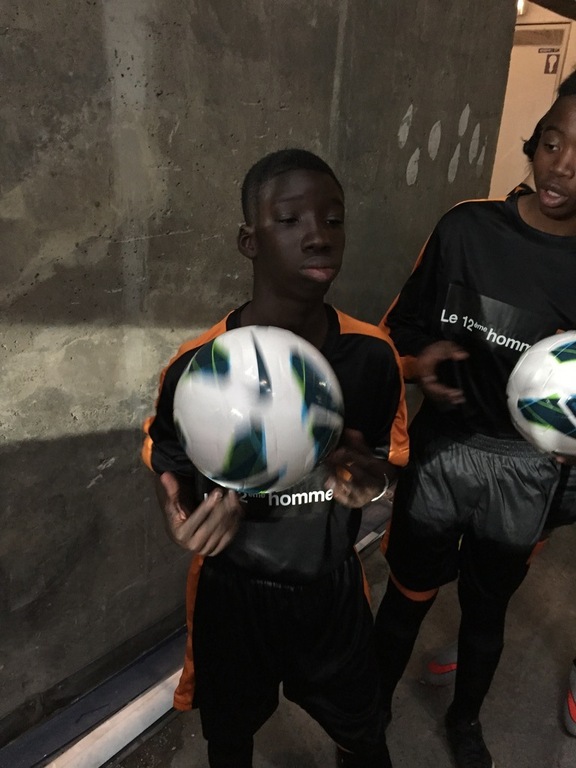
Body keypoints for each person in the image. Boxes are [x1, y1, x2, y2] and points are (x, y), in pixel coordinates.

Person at [142, 148, 409, 768]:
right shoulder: (199, 366)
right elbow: (167, 461)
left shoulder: (372, 355)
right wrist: (178, 515)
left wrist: (371, 480)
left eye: (333, 220)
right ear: (249, 241)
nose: (318, 235)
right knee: (229, 738)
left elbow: (387, 465)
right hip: (233, 595)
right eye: (290, 220)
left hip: (330, 587)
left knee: (363, 737)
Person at [373, 90, 576, 768]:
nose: (561, 166)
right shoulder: (466, 230)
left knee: (486, 614)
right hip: (442, 456)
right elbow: (398, 332)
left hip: (527, 473)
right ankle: (367, 720)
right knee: (408, 597)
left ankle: (464, 721)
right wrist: (417, 362)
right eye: (553, 142)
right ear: (535, 140)